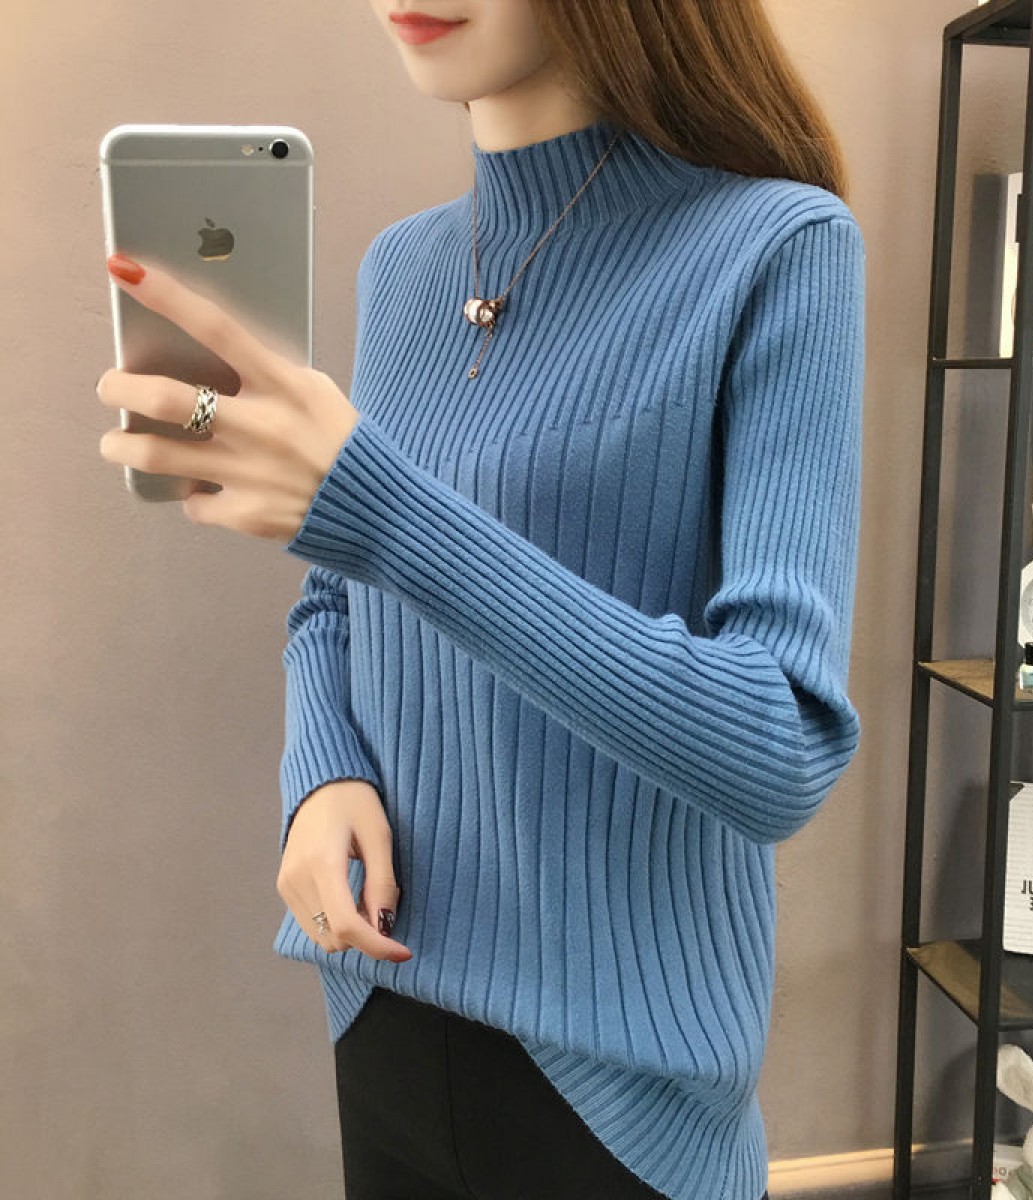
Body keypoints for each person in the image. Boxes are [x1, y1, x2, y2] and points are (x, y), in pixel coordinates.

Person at [96, 1, 866, 1197]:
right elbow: (337, 600)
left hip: (622, 1079)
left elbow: (780, 746)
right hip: (383, 1008)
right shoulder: (404, 268)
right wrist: (321, 775)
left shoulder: (778, 245)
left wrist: (382, 509)